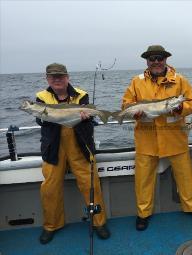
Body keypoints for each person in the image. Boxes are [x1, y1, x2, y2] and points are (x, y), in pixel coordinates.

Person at [122, 45, 192, 231]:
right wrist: (135, 113)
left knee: (186, 177)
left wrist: (179, 109)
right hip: (146, 139)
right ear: (147, 61)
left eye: (160, 58)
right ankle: (143, 213)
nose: (156, 61)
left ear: (166, 59)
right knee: (143, 180)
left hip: (175, 136)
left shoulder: (180, 80)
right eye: (152, 58)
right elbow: (126, 104)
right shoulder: (137, 81)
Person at [36, 63, 110, 244]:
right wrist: (42, 117)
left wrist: (87, 117)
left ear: (67, 77)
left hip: (80, 146)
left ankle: (99, 222)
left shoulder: (81, 94)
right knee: (49, 188)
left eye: (60, 76)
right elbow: (41, 121)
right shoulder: (41, 97)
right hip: (53, 148)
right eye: (53, 76)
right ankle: (51, 225)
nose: (57, 79)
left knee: (91, 184)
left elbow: (87, 121)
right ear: (47, 79)